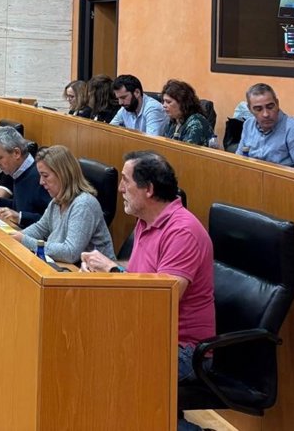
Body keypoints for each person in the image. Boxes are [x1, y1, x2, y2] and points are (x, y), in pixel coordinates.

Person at [81, 151, 215, 431]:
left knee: (103, 371)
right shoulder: (146, 221)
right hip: (148, 334)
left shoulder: (182, 232)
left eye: (126, 181)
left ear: (149, 189)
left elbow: (161, 300)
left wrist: (112, 271)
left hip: (183, 349)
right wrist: (99, 270)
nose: (120, 188)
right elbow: (141, 274)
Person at [11, 145, 114, 264]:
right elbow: (40, 229)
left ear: (63, 174)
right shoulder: (56, 201)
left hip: (93, 273)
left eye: (45, 176)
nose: (41, 182)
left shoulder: (84, 205)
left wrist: (24, 240)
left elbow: (70, 253)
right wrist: (14, 237)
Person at [0, 126, 52, 228]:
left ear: (16, 153)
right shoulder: (18, 171)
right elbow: (21, 206)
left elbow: (52, 221)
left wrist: (20, 217)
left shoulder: (41, 177)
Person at [237, 83, 294, 166]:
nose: (266, 114)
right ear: (250, 109)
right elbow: (238, 160)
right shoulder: (248, 125)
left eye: (270, 107)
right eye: (258, 109)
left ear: (277, 104)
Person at [161, 80, 213, 147]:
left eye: (168, 102)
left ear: (182, 103)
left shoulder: (195, 123)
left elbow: (186, 151)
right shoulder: (173, 121)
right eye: (163, 101)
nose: (164, 105)